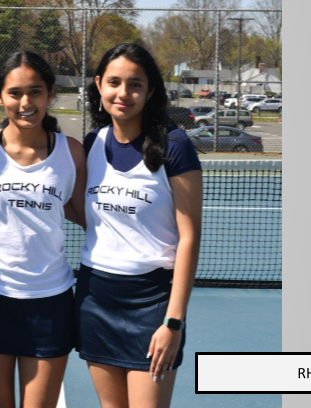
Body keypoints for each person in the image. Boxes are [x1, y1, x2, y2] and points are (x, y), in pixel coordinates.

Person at [0, 50, 88, 408]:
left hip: (51, 302)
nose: (25, 102)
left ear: (50, 94)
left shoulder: (72, 153)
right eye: (14, 93)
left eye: (35, 92)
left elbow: (87, 213)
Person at [77, 43, 203, 408]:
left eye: (135, 84)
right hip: (95, 299)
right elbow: (86, 212)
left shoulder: (175, 147)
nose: (123, 93)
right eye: (114, 82)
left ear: (150, 91)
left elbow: (189, 237)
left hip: (151, 304)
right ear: (99, 85)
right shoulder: (91, 144)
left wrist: (173, 323)